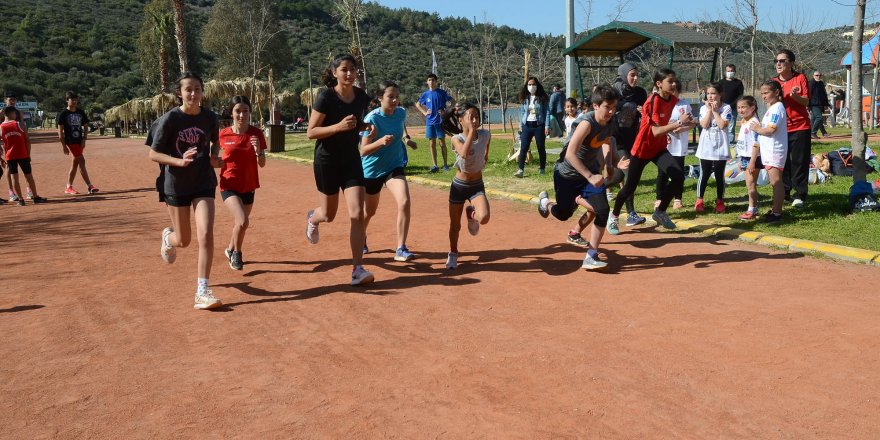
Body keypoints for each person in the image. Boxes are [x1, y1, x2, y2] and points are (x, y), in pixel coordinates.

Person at [148, 72, 223, 310]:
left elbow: (215, 141)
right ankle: (168, 238)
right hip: (176, 183)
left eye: (198, 89)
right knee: (184, 240)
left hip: (203, 181)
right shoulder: (170, 119)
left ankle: (202, 291)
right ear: (179, 93)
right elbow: (153, 154)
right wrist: (179, 161)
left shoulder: (209, 116)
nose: (193, 93)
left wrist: (214, 158)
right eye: (188, 89)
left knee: (206, 234)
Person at [536, 84, 627, 270]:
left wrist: (612, 164)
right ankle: (545, 203)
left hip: (590, 174)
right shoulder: (586, 123)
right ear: (595, 106)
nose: (611, 111)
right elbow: (570, 153)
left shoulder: (610, 123)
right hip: (567, 175)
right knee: (563, 214)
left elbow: (604, 143)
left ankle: (591, 255)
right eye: (607, 107)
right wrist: (589, 176)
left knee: (602, 210)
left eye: (614, 107)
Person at [305, 54, 375, 286]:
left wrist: (366, 126)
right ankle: (313, 219)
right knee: (329, 215)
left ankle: (357, 269)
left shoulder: (361, 97)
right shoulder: (326, 96)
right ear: (335, 72)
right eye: (344, 69)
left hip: (351, 161)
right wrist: (337, 127)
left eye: (352, 69)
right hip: (326, 161)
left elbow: (356, 123)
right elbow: (311, 132)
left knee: (357, 213)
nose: (349, 73)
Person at [607, 68, 692, 235]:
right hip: (642, 149)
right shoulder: (652, 101)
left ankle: (660, 212)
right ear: (659, 84)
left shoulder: (673, 99)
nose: (674, 84)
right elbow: (654, 131)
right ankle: (614, 215)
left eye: (675, 80)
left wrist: (692, 122)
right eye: (670, 81)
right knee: (630, 187)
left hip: (659, 148)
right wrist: (678, 124)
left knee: (678, 176)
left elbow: (673, 124)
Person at [360, 80, 418, 262]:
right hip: (371, 170)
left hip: (394, 166)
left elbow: (401, 128)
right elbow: (363, 150)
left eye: (397, 97)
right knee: (369, 212)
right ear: (379, 98)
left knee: (404, 201)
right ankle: (360, 237)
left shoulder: (400, 113)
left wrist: (407, 139)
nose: (394, 101)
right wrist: (380, 142)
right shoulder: (372, 119)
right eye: (390, 97)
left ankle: (401, 248)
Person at [218, 95, 267, 271]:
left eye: (245, 111)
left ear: (250, 113)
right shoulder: (223, 134)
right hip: (228, 185)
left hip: (249, 185)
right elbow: (213, 158)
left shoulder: (256, 133)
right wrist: (216, 162)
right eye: (238, 111)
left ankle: (230, 249)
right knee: (243, 221)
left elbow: (262, 163)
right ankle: (237, 254)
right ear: (232, 113)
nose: (242, 115)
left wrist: (258, 151)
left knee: (241, 223)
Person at [442, 103, 490, 269]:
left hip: (477, 185)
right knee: (455, 225)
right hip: (459, 186)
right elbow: (463, 153)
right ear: (461, 120)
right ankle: (453, 253)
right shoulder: (457, 138)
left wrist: (482, 160)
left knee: (484, 218)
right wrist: (471, 132)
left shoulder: (486, 135)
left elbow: (485, 153)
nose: (475, 120)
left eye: (477, 117)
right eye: (471, 118)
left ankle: (472, 214)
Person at [771, 49, 811, 209]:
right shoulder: (773, 82)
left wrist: (795, 97)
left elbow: (806, 102)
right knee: (782, 161)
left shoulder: (800, 78)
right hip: (780, 128)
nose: (779, 64)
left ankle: (800, 194)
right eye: (776, 61)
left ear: (791, 63)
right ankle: (784, 192)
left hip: (800, 126)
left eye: (783, 61)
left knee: (799, 162)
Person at [611, 62, 648, 227]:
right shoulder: (614, 92)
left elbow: (648, 112)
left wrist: (643, 111)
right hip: (617, 140)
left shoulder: (640, 93)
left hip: (634, 139)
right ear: (624, 75)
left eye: (637, 75)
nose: (635, 78)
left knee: (619, 177)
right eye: (632, 75)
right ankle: (630, 213)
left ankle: (588, 189)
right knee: (630, 175)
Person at [749, 80, 788, 223]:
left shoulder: (777, 108)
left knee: (776, 181)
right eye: (762, 94)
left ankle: (777, 212)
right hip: (769, 150)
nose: (764, 96)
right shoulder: (772, 108)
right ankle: (775, 209)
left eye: (766, 93)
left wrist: (757, 129)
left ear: (776, 92)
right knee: (774, 181)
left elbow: (771, 129)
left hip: (774, 150)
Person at [694, 82, 733, 214]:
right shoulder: (703, 108)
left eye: (713, 93)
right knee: (704, 174)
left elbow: (723, 125)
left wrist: (715, 111)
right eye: (708, 94)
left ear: (720, 94)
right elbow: (704, 125)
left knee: (719, 175)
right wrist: (710, 110)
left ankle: (720, 201)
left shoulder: (727, 108)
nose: (710, 96)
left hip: (721, 148)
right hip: (706, 148)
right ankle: (699, 200)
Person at [656, 79, 694, 210]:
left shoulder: (685, 105)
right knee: (662, 173)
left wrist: (683, 129)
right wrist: (670, 128)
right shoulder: (662, 104)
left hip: (679, 145)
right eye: (671, 90)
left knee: (678, 173)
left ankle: (678, 198)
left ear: (679, 92)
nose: (673, 93)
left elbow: (692, 122)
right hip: (664, 145)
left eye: (675, 91)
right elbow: (657, 124)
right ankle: (659, 198)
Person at [1, 106, 48, 206]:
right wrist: (28, 153)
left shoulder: (1, 127)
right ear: (11, 114)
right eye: (14, 113)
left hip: (10, 156)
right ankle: (35, 197)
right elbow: (27, 140)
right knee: (29, 176)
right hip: (22, 154)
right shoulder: (19, 124)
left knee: (14, 177)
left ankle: (21, 200)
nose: (15, 115)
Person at [57, 91, 99, 195]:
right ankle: (89, 186)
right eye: (72, 99)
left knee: (75, 164)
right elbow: (60, 132)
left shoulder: (81, 112)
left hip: (80, 141)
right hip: (70, 141)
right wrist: (64, 146)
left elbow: (85, 126)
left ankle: (68, 186)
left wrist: (84, 139)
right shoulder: (63, 114)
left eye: (76, 99)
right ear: (67, 100)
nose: (74, 101)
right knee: (82, 161)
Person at [415, 73, 454, 173]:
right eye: (429, 80)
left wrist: (447, 111)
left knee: (442, 143)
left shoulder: (441, 92)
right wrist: (424, 112)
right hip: (430, 122)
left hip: (440, 121)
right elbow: (418, 104)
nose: (431, 82)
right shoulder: (425, 94)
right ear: (427, 82)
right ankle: (435, 165)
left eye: (433, 80)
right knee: (432, 143)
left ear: (436, 82)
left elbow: (453, 101)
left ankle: (445, 165)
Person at [514, 76, 551, 178]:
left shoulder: (542, 98)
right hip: (527, 125)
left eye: (533, 84)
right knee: (524, 148)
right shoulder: (524, 98)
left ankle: (542, 168)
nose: (531, 86)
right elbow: (522, 112)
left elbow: (547, 112)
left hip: (539, 125)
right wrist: (520, 125)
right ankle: (520, 170)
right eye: (529, 85)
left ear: (537, 85)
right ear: (526, 86)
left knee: (541, 148)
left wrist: (547, 126)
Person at [735, 96, 763, 221]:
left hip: (753, 158)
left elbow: (756, 143)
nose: (740, 110)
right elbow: (743, 143)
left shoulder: (753, 123)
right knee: (749, 185)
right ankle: (753, 208)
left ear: (752, 108)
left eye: (743, 107)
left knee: (751, 185)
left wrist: (752, 162)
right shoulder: (745, 121)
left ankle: (752, 209)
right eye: (738, 107)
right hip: (745, 157)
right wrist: (741, 160)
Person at [719, 64, 744, 139]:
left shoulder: (738, 83)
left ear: (735, 71)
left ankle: (731, 143)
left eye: (732, 71)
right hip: (721, 108)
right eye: (728, 71)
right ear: (725, 72)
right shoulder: (721, 82)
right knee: (720, 125)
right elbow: (717, 94)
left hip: (732, 108)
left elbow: (740, 96)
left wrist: (732, 105)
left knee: (730, 127)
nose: (730, 72)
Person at [808, 70, 830, 139]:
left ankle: (824, 133)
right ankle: (813, 133)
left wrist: (826, 104)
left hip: (820, 104)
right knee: (819, 118)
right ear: (813, 76)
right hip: (813, 104)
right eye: (816, 75)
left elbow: (824, 94)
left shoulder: (821, 83)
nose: (818, 77)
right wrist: (807, 105)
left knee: (814, 119)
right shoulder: (811, 83)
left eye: (819, 75)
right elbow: (808, 94)